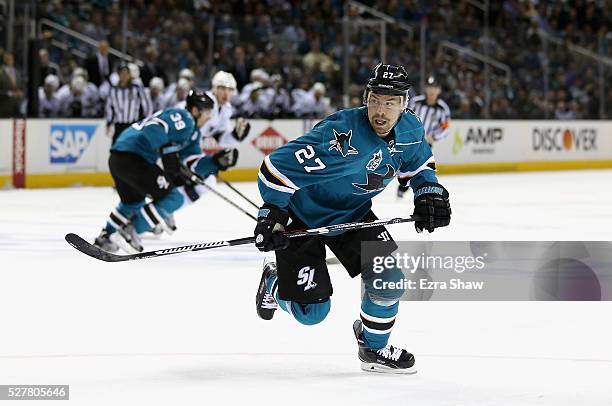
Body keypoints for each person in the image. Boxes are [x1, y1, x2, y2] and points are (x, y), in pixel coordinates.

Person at [253, 63, 451, 373]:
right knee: (311, 313)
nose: (380, 110)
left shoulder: (411, 130)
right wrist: (272, 214)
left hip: (352, 214)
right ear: (366, 98)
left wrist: (429, 192)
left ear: (404, 104)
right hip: (302, 217)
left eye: (390, 102)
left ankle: (373, 350)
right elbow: (274, 169)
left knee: (389, 281)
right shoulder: (341, 134)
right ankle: (273, 281)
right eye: (375, 100)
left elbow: (420, 164)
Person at [93, 89, 239, 253]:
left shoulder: (193, 133)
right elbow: (153, 127)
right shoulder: (185, 118)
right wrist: (168, 153)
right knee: (174, 198)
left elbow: (193, 163)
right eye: (207, 113)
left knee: (133, 202)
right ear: (195, 110)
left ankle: (105, 236)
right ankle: (130, 230)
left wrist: (215, 162)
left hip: (118, 158)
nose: (209, 118)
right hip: (134, 158)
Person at [397, 74, 450, 198]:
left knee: (420, 168)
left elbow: (445, 128)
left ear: (439, 90)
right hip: (408, 141)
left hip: (426, 144)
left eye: (435, 88)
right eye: (430, 87)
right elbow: (403, 118)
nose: (432, 91)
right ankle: (403, 186)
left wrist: (434, 137)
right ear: (426, 89)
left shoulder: (442, 108)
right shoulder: (416, 102)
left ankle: (406, 188)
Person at [105, 63, 153, 144]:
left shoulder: (136, 88)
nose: (124, 76)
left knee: (133, 147)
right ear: (118, 75)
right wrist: (109, 123)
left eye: (126, 73)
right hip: (119, 124)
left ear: (129, 75)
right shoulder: (113, 90)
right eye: (122, 73)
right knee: (116, 148)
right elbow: (109, 107)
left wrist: (146, 120)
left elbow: (146, 104)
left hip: (132, 123)